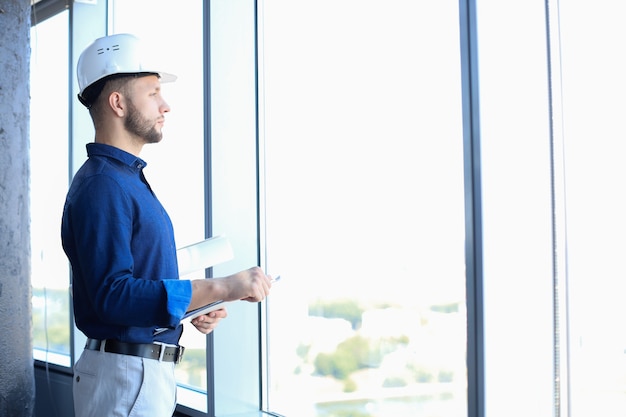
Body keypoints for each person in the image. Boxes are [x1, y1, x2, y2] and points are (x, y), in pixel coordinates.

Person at [61, 33, 273, 417]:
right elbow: (114, 295)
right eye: (153, 92)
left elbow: (134, 284)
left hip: (135, 374)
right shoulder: (104, 185)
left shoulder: (122, 180)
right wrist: (220, 286)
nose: (166, 105)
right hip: (127, 378)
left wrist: (193, 306)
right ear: (118, 103)